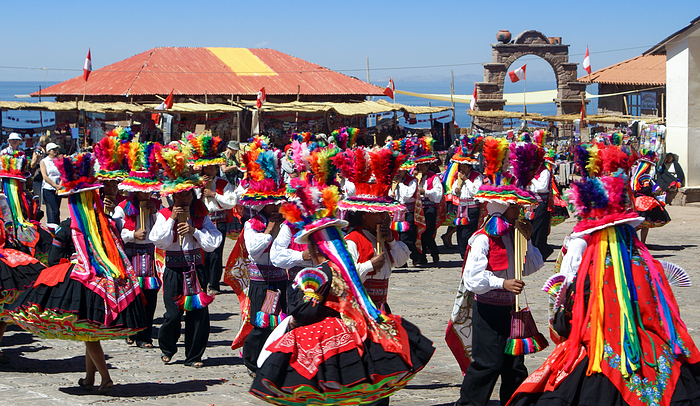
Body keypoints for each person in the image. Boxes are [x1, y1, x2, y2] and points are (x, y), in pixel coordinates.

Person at [508, 144, 700, 406]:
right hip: (649, 349)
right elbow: (659, 315)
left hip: (596, 352)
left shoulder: (590, 272)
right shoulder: (646, 265)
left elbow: (565, 323)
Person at [249, 170, 435, 406]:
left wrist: (294, 320)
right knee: (366, 378)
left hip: (339, 329)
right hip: (356, 321)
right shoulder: (338, 260)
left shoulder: (316, 274)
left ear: (315, 248)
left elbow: (305, 310)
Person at [6, 152, 146, 394]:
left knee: (89, 332)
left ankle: (105, 378)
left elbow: (52, 259)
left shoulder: (68, 227)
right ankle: (89, 378)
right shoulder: (108, 223)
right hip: (107, 278)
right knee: (89, 333)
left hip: (84, 281)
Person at [447, 135, 545, 406]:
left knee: (514, 365)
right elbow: (472, 279)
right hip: (489, 310)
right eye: (515, 207)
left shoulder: (515, 235)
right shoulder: (482, 238)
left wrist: (528, 241)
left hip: (512, 310)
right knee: (487, 364)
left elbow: (534, 266)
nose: (519, 212)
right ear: (502, 207)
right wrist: (503, 284)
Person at [150, 142, 222, 368]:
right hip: (173, 270)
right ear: (173, 198)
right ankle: (168, 348)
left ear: (192, 196)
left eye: (188, 196)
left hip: (196, 270)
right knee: (172, 315)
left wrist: (195, 232)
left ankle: (194, 356)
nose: (184, 201)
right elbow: (157, 239)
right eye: (180, 197)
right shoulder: (163, 215)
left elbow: (214, 243)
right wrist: (172, 219)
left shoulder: (201, 216)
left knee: (198, 315)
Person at [235, 136, 289, 374]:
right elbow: (254, 249)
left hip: (280, 280)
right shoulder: (252, 224)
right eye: (272, 204)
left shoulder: (286, 223)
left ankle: (273, 359)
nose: (276, 207)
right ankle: (251, 359)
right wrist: (269, 231)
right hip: (262, 283)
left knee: (280, 322)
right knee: (262, 322)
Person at [336, 147, 411, 311]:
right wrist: (370, 265)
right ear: (364, 215)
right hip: (361, 307)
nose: (383, 217)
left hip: (383, 306)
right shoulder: (352, 241)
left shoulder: (386, 237)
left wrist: (391, 240)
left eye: (385, 213)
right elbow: (346, 277)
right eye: (378, 214)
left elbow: (401, 260)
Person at [113, 140, 163, 348]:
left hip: (149, 257)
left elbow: (162, 233)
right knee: (132, 295)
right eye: (143, 191)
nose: (147, 195)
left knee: (150, 297)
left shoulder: (157, 208)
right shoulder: (122, 207)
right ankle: (129, 330)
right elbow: (116, 232)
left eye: (149, 191)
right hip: (131, 256)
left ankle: (145, 335)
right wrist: (133, 234)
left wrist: (154, 215)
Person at [186, 132, 236, 295]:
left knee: (215, 254)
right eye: (208, 167)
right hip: (201, 220)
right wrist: (201, 189)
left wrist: (215, 195)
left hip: (218, 220)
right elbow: (191, 201)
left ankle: (214, 284)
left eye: (214, 167)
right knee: (202, 253)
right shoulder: (195, 183)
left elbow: (231, 201)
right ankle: (203, 281)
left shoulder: (223, 183)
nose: (211, 170)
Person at [448, 135, 483, 258]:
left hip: (472, 209)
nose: (461, 168)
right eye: (460, 165)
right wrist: (455, 190)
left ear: (469, 166)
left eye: (463, 166)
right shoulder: (458, 177)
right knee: (460, 233)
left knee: (468, 234)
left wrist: (466, 180)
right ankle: (463, 254)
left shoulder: (477, 176)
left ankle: (469, 254)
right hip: (461, 208)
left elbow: (476, 192)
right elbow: (453, 190)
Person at [413, 136, 443, 264]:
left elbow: (438, 193)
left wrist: (425, 192)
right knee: (419, 232)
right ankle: (422, 257)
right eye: (419, 166)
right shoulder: (414, 176)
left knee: (427, 233)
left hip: (429, 208)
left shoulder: (433, 177)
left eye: (422, 166)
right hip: (418, 209)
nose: (420, 168)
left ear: (427, 165)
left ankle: (434, 252)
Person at [631, 149, 670, 243]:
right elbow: (646, 190)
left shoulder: (635, 177)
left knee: (644, 224)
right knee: (643, 223)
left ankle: (641, 242)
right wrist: (653, 192)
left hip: (638, 201)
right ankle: (632, 239)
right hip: (644, 203)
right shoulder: (645, 178)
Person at [39, 142, 62, 228]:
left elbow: (62, 174)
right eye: (53, 149)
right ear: (49, 151)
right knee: (54, 210)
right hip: (48, 188)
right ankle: (53, 228)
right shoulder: (44, 161)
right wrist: (55, 185)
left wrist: (59, 186)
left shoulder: (58, 160)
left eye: (56, 149)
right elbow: (45, 176)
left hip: (58, 188)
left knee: (57, 211)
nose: (56, 151)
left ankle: (57, 228)